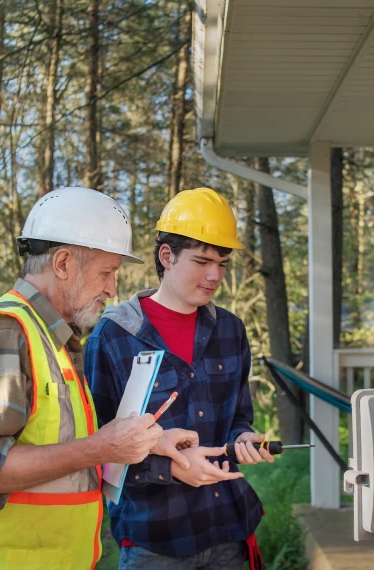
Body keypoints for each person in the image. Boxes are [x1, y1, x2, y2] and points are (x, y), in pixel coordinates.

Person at [0, 187, 198, 569]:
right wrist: (101, 448)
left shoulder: (56, 338)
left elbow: (57, 447)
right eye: (107, 272)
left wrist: (147, 443)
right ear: (63, 263)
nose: (112, 289)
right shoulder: (4, 331)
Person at [85, 187, 274, 570]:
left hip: (228, 531)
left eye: (222, 263)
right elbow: (97, 453)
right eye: (202, 261)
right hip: (155, 541)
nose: (214, 275)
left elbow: (238, 418)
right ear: (166, 256)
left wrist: (244, 439)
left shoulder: (230, 330)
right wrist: (168, 468)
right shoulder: (113, 336)